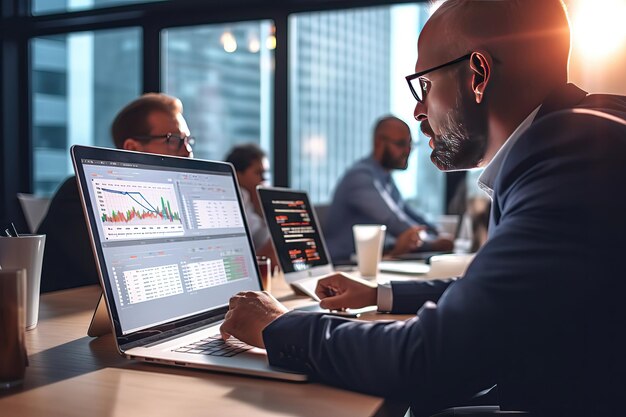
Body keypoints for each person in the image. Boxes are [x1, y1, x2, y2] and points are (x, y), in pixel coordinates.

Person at [219, 1, 626, 416]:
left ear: (478, 76)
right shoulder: (584, 131)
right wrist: (380, 293)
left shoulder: (570, 153)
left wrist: (277, 326)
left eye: (425, 87)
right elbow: (501, 296)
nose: (418, 111)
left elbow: (433, 359)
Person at [38, 93, 194, 292]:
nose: (187, 150)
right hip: (73, 315)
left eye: (188, 140)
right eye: (173, 140)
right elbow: (121, 276)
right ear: (132, 148)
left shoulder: (167, 201)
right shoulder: (80, 192)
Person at [325, 115, 453, 261]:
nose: (407, 151)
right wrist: (432, 243)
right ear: (379, 142)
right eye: (401, 144)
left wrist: (437, 231)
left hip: (369, 261)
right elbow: (395, 221)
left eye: (410, 144)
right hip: (344, 264)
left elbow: (408, 213)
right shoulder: (360, 177)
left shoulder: (386, 179)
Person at [224, 143, 278, 266]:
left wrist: (261, 207)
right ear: (237, 174)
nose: (264, 179)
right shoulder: (237, 197)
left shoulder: (252, 200)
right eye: (258, 173)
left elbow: (260, 240)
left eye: (266, 173)